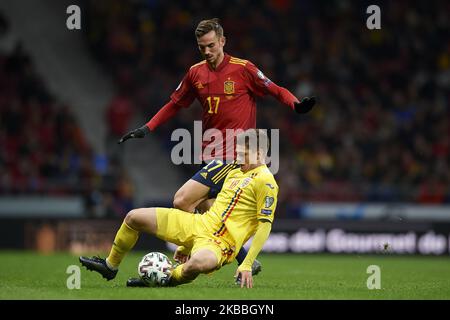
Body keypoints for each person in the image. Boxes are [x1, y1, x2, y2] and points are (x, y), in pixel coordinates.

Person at [117, 18, 315, 276]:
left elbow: (275, 90)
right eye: (202, 47)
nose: (207, 51)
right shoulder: (195, 73)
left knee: (182, 200)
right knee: (207, 207)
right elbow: (175, 104)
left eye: (211, 45)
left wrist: (296, 105)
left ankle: (194, 250)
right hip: (211, 155)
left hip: (235, 156)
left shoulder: (243, 69)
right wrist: (148, 127)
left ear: (222, 41)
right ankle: (239, 257)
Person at [80, 129, 278, 288]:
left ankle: (163, 279)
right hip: (197, 224)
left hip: (221, 245)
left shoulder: (266, 182)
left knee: (197, 264)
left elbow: (264, 226)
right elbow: (215, 208)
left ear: (258, 153)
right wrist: (186, 245)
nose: (238, 157)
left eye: (243, 154)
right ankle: (110, 265)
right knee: (133, 217)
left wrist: (247, 263)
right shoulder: (234, 173)